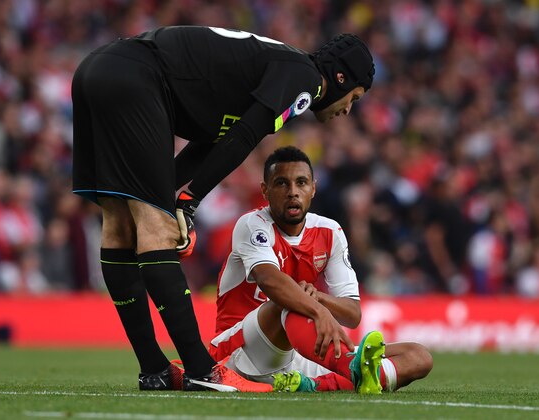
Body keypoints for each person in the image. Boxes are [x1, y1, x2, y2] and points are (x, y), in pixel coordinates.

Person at [71, 26, 375, 391]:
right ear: (340, 78)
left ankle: (153, 368)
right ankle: (201, 369)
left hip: (98, 70)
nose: (347, 110)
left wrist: (172, 193)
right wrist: (189, 200)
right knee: (155, 226)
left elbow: (212, 140)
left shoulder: (277, 68)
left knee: (120, 223)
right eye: (354, 97)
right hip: (137, 76)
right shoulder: (306, 81)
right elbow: (245, 136)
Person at [209, 146, 433, 393]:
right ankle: (354, 371)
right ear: (265, 190)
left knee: (418, 355)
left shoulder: (330, 231)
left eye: (301, 183)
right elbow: (270, 281)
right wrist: (317, 309)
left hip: (295, 354)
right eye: (282, 183)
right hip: (242, 353)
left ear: (313, 188)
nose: (293, 192)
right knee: (288, 300)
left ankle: (312, 385)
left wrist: (319, 299)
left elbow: (352, 313)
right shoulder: (253, 224)